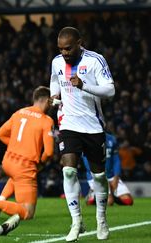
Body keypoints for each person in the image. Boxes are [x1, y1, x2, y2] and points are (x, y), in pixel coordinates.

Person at [50, 26, 115, 241]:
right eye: (61, 49)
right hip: (68, 123)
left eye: (68, 48)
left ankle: (101, 219)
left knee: (98, 176)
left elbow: (110, 90)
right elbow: (54, 79)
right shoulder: (57, 62)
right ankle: (76, 221)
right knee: (68, 170)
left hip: (93, 126)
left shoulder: (95, 60)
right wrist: (54, 95)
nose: (64, 53)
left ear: (80, 42)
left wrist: (84, 86)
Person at [0, 86, 54, 221]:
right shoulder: (46, 120)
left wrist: (18, 146)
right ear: (47, 100)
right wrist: (41, 163)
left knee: (15, 178)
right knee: (27, 213)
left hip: (8, 162)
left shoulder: (19, 112)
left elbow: (0, 134)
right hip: (24, 166)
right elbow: (49, 152)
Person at [83, 133, 134, 206]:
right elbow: (87, 162)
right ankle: (92, 196)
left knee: (128, 201)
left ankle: (102, 194)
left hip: (111, 176)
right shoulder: (88, 139)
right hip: (96, 176)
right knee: (109, 201)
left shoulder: (111, 139)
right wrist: (101, 178)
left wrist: (116, 177)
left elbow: (116, 160)